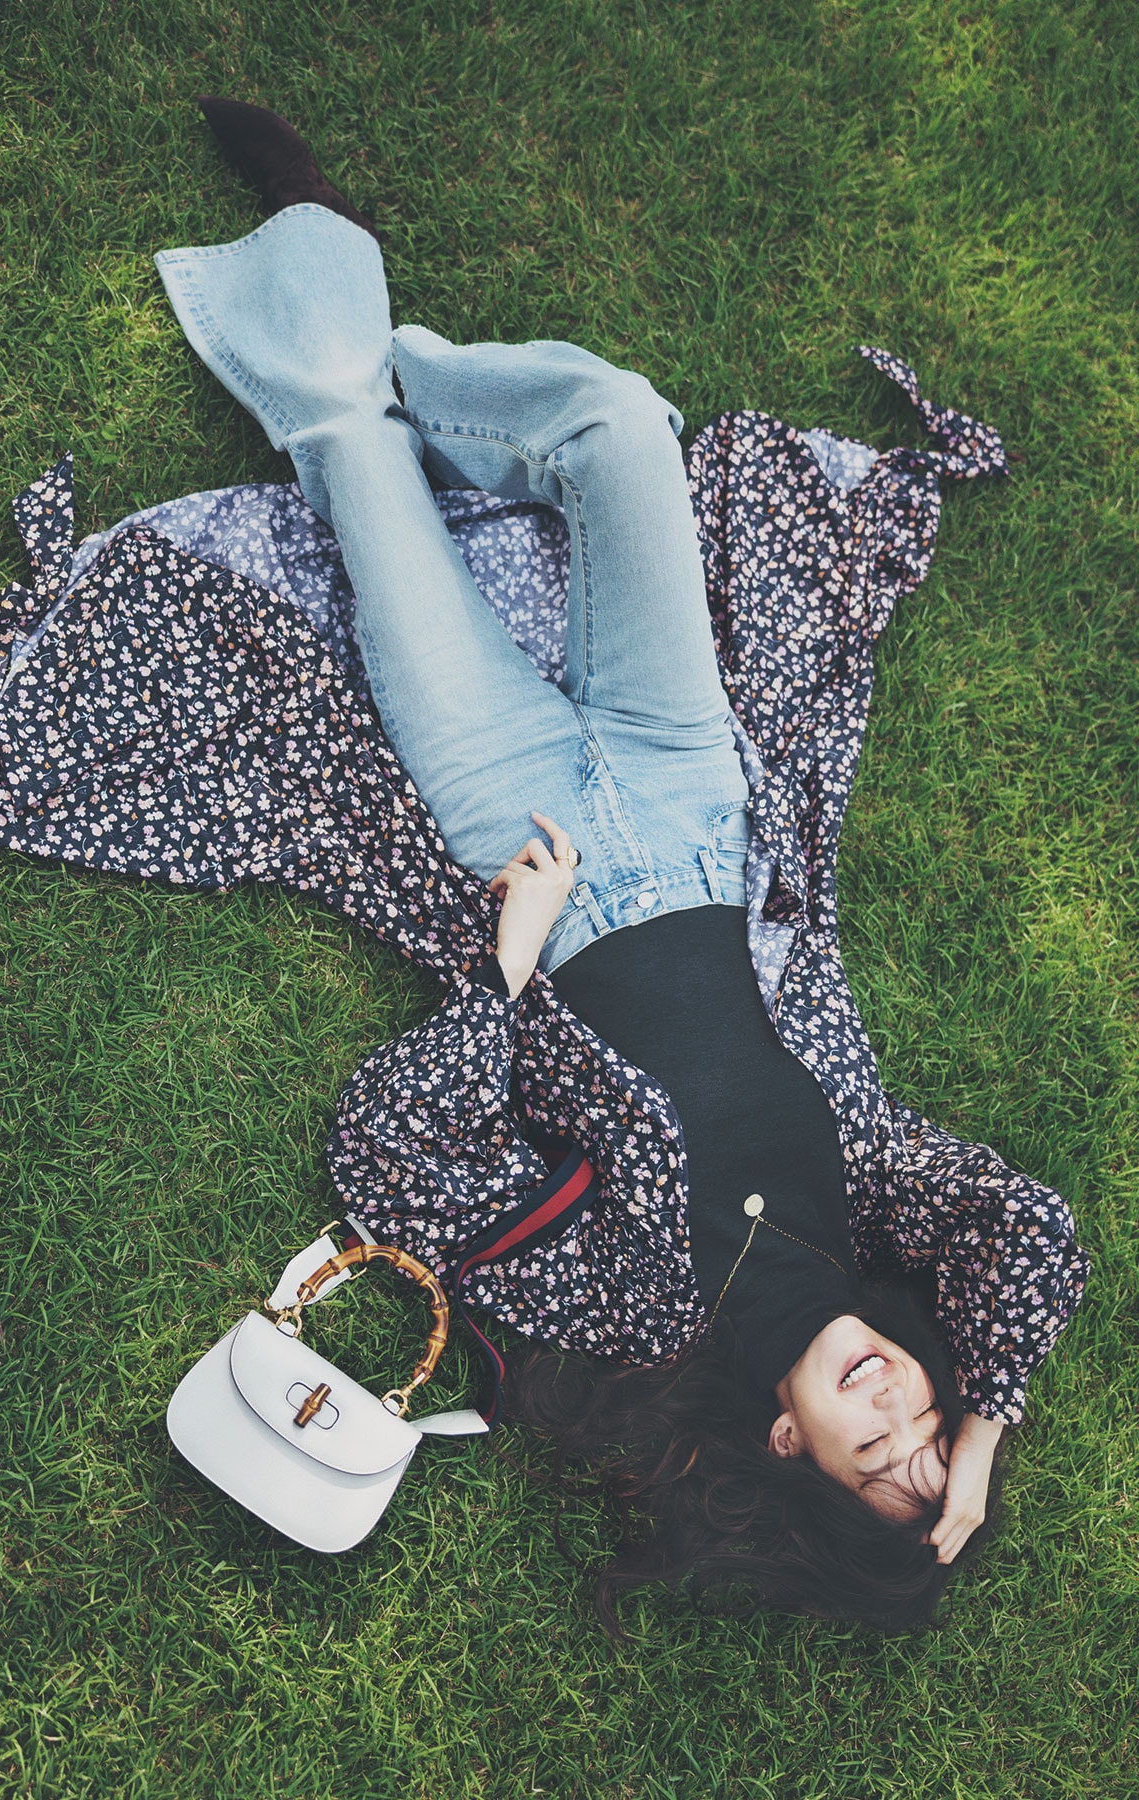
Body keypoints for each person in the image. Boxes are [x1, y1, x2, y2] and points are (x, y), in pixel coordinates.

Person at [148, 100, 1087, 1630]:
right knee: (615, 423)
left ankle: (330, 291)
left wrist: (507, 966)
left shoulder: (640, 1320)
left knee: (349, 453)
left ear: (788, 1447)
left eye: (877, 1457)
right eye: (925, 1412)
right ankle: (394, 356)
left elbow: (397, 1156)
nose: (897, 1407)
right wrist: (986, 1437)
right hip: (696, 797)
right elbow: (1035, 1231)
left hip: (527, 838)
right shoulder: (878, 1205)